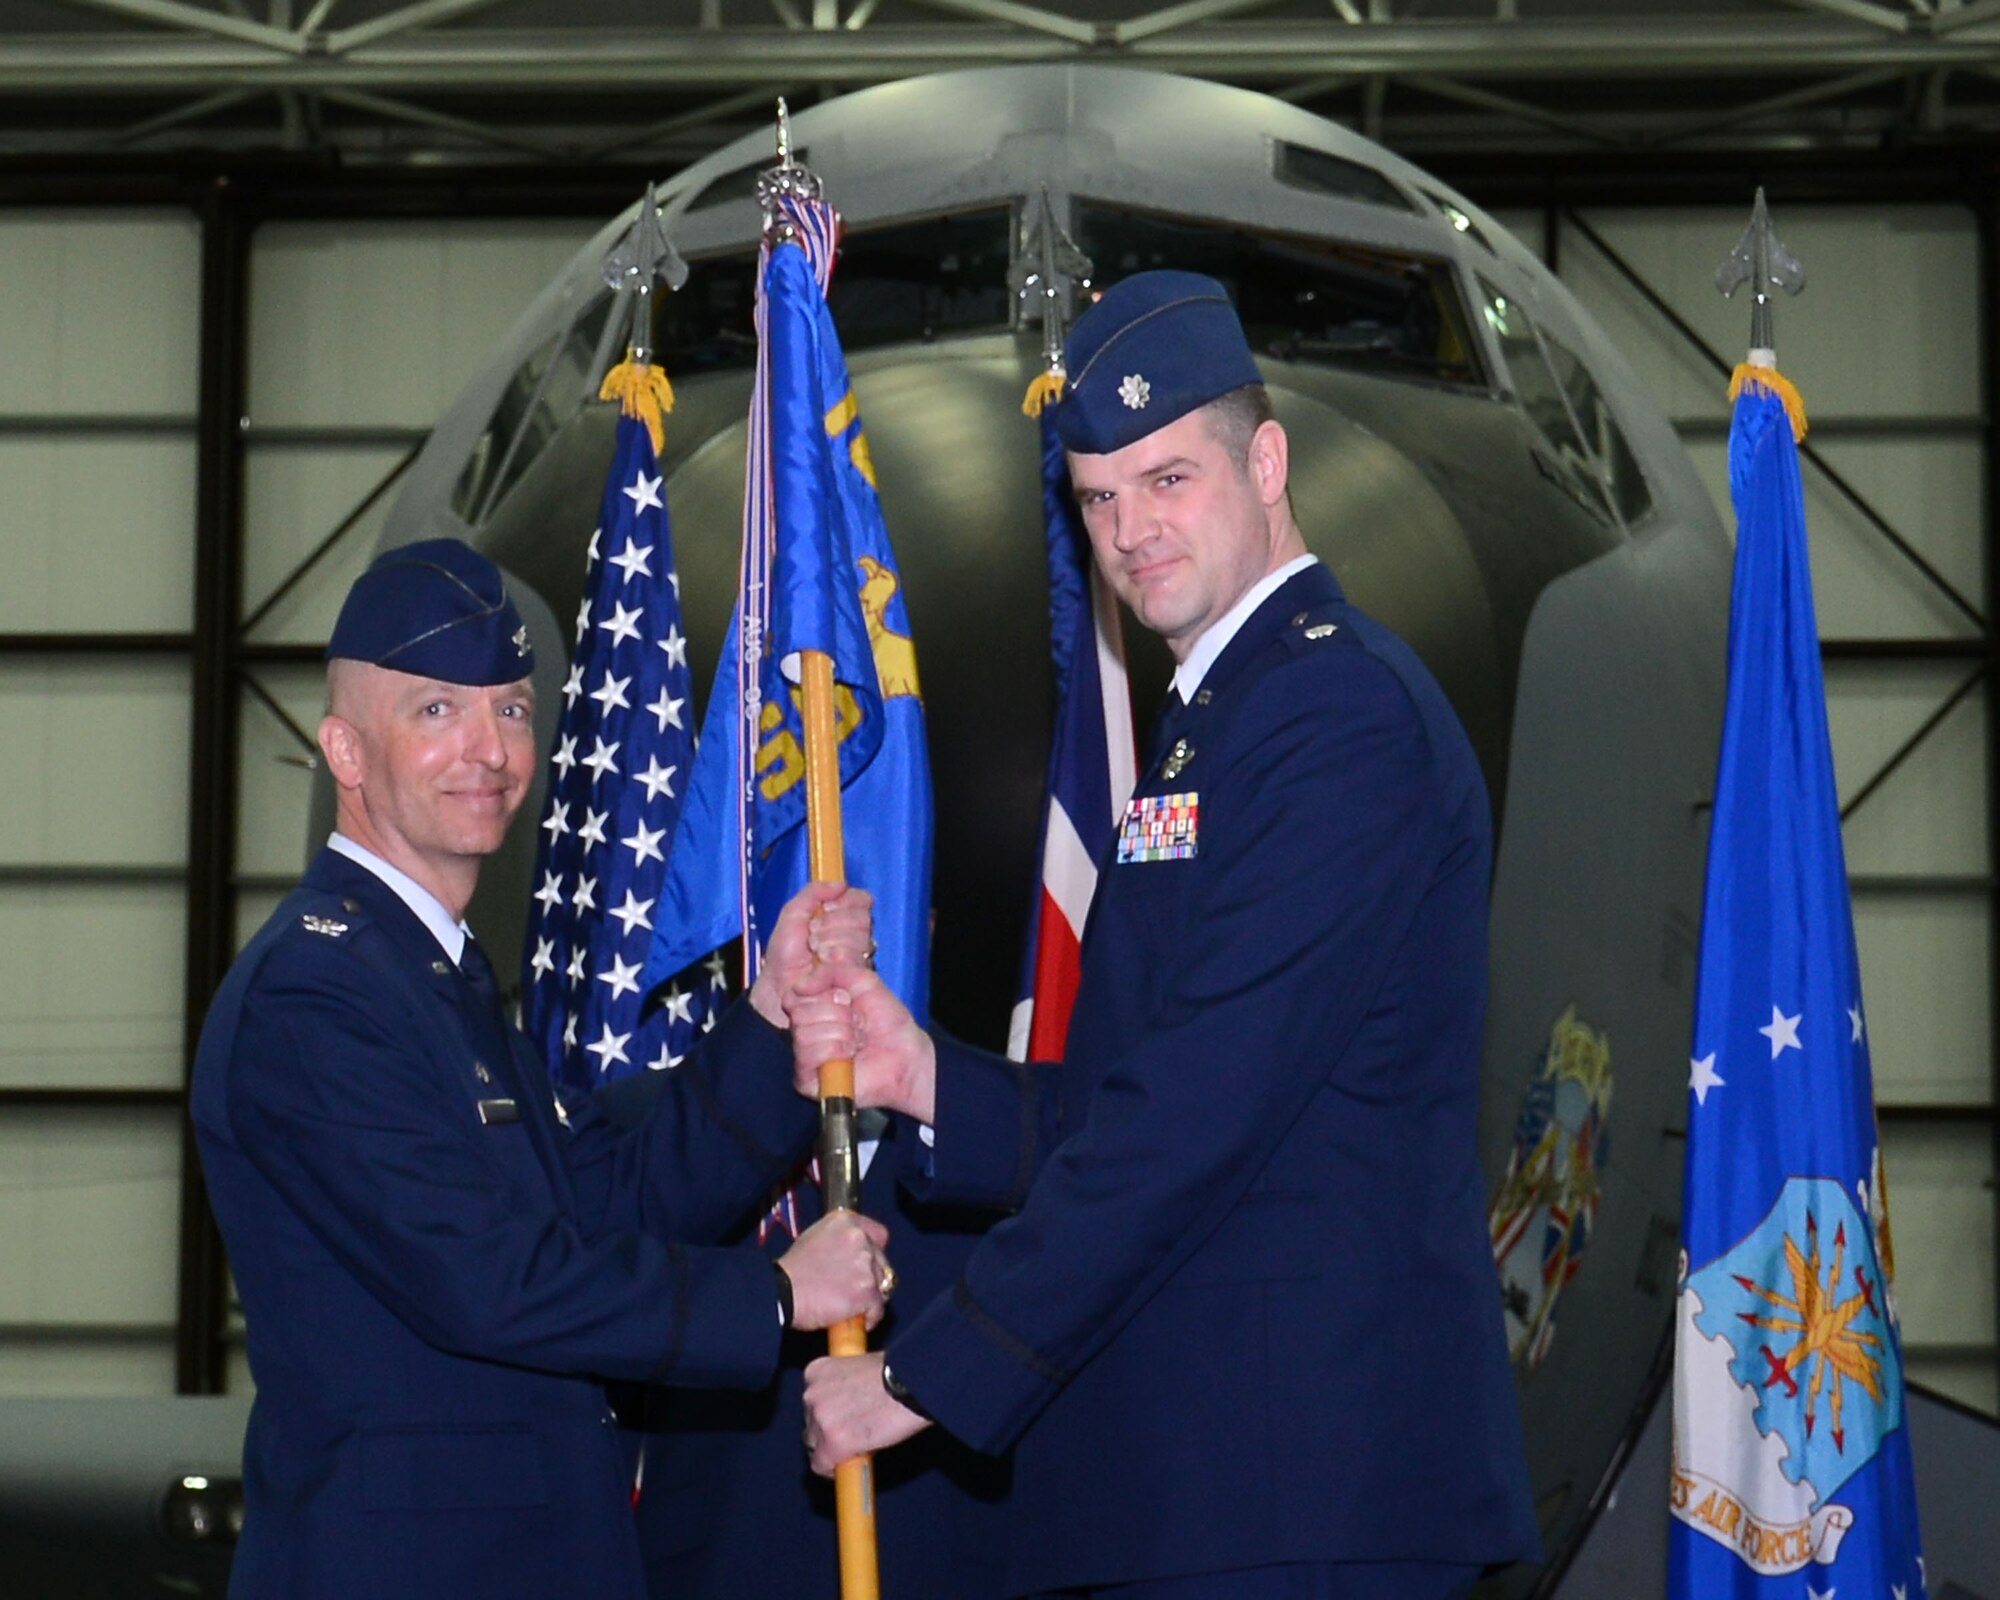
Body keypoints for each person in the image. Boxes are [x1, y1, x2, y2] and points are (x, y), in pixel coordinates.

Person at [789, 272, 1541, 1599]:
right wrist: (928, 1081)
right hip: (1215, 1491)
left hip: (1295, 1494)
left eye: (1167, 479)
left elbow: (1199, 1109)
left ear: (1265, 462)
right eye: (1097, 498)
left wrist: (931, 1369)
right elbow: (1146, 1088)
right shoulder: (1229, 716)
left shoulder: (1333, 716)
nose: (1130, 530)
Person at [190, 539, 892, 1600]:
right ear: (342, 749)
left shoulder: (436, 979)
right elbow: (485, 1277)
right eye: (436, 712)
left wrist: (771, 1015)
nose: (487, 748)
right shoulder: (316, 995)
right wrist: (772, 1295)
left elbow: (610, 1199)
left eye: (511, 709)